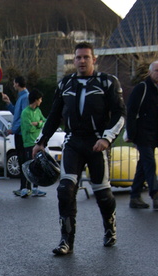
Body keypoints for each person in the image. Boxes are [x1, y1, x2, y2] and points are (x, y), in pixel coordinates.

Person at [32, 42, 126, 256]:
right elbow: (54, 115)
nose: (82, 61)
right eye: (78, 57)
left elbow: (120, 114)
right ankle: (66, 241)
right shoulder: (65, 83)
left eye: (86, 57)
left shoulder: (108, 82)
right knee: (65, 190)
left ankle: (110, 228)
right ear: (73, 60)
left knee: (102, 192)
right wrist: (41, 141)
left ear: (94, 59)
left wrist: (107, 139)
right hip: (73, 142)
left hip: (97, 143)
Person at [126, 61, 158, 209]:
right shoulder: (142, 88)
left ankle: (135, 196)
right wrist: (132, 133)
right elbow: (131, 111)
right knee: (150, 163)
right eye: (157, 71)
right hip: (142, 133)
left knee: (143, 165)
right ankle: (156, 195)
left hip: (154, 134)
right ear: (150, 72)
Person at [2, 76, 30, 197]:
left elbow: (23, 117)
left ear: (17, 84)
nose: (13, 85)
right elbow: (17, 113)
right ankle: (23, 186)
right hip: (19, 133)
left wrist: (13, 130)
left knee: (23, 160)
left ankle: (25, 187)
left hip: (21, 134)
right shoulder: (22, 97)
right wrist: (8, 103)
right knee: (21, 160)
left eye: (14, 83)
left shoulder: (25, 97)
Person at [20, 88, 47, 197]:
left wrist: (38, 124)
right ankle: (25, 188)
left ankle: (36, 188)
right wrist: (36, 125)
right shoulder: (25, 112)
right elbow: (28, 128)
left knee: (38, 165)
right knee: (29, 165)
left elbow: (44, 122)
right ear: (35, 100)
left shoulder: (38, 111)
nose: (41, 101)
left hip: (37, 142)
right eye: (40, 99)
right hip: (28, 142)